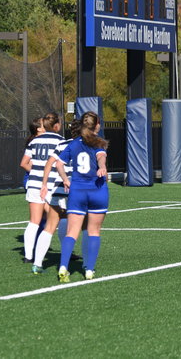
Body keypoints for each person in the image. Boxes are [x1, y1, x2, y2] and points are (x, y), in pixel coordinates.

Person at [56, 112, 109, 282]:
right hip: (97, 190)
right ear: (97, 125)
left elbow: (59, 163)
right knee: (93, 231)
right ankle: (89, 270)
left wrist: (65, 180)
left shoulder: (73, 144)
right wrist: (102, 167)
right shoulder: (98, 142)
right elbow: (101, 157)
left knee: (72, 232)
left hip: (77, 191)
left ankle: (63, 266)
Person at [34, 119, 85, 275]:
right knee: (83, 226)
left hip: (58, 188)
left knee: (50, 226)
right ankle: (81, 264)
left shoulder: (62, 144)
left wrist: (44, 184)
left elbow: (50, 163)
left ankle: (37, 264)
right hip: (76, 188)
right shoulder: (86, 145)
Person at [19, 113, 64, 263]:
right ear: (56, 125)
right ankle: (65, 252)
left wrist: (36, 172)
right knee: (60, 219)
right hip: (51, 185)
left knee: (34, 221)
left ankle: (28, 256)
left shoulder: (34, 141)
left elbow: (24, 162)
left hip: (34, 184)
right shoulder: (60, 141)